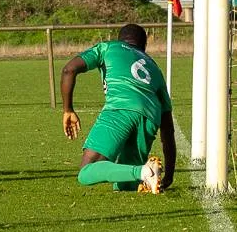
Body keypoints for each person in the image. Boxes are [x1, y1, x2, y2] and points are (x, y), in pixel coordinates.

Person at [60, 24, 176, 193]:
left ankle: (144, 171)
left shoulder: (108, 47)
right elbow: (168, 129)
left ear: (120, 39)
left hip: (120, 108)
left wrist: (68, 110)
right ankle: (144, 175)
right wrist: (170, 174)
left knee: (86, 172)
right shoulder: (154, 68)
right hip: (149, 118)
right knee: (125, 185)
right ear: (144, 46)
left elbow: (69, 70)